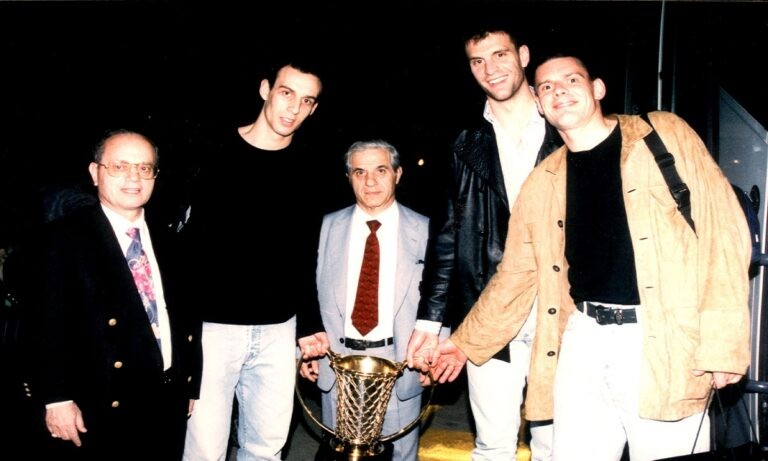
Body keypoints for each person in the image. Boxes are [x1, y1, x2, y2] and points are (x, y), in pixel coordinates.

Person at [424, 55, 752, 461]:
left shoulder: (663, 134)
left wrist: (723, 344)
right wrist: (463, 343)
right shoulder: (542, 182)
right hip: (581, 340)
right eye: (546, 86)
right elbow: (515, 275)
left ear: (597, 89)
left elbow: (724, 233)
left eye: (571, 80)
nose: (559, 91)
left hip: (662, 341)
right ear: (539, 104)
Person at [405, 25, 561, 460]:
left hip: (557, 312)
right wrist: (429, 322)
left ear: (523, 55)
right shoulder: (464, 143)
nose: (490, 69)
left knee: (557, 446)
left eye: (500, 55)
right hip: (489, 315)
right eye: (478, 61)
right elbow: (448, 236)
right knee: (492, 446)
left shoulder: (564, 126)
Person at [181, 58, 327, 461]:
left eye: (306, 100)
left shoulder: (310, 167)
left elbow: (305, 255)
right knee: (204, 450)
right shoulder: (210, 153)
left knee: (266, 448)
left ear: (314, 108)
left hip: (279, 331)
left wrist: (308, 325)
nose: (293, 108)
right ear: (265, 89)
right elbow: (184, 250)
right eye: (286, 93)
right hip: (214, 330)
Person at [25, 129, 202, 460]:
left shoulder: (171, 240)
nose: (133, 177)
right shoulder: (62, 239)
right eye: (120, 166)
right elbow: (43, 328)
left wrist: (190, 384)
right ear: (95, 173)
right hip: (98, 407)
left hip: (165, 400)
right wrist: (56, 399)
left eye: (144, 168)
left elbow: (186, 320)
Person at [299, 140, 432, 461]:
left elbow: (441, 295)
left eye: (380, 170)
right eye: (359, 172)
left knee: (399, 456)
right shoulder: (325, 226)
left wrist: (436, 351)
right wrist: (304, 348)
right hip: (338, 362)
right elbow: (305, 287)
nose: (370, 181)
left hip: (399, 363)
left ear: (398, 174)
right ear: (349, 177)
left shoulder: (426, 229)